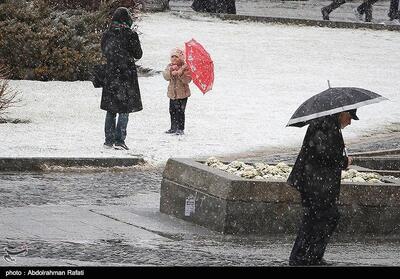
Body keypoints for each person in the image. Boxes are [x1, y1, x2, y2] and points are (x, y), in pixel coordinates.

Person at [287, 109, 359, 266]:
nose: (350, 121)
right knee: (323, 217)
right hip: (315, 183)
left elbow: (324, 152)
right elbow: (324, 154)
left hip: (316, 182)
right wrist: (344, 161)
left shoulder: (329, 126)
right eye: (350, 117)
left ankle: (307, 256)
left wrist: (339, 148)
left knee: (318, 218)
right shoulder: (324, 125)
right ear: (342, 113)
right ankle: (305, 257)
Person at [100, 7, 143, 150]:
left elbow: (104, 51)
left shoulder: (107, 34)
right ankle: (120, 140)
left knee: (110, 108)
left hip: (111, 74)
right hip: (126, 75)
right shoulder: (130, 35)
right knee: (124, 108)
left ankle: (108, 140)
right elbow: (138, 54)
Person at [162, 48, 192, 136]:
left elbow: (187, 80)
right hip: (172, 94)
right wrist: (171, 72)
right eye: (172, 57)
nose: (174, 59)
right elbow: (166, 76)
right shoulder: (169, 66)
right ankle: (173, 127)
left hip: (182, 94)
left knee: (180, 111)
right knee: (172, 110)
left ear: (181, 58)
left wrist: (180, 73)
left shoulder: (185, 68)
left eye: (176, 57)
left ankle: (180, 128)